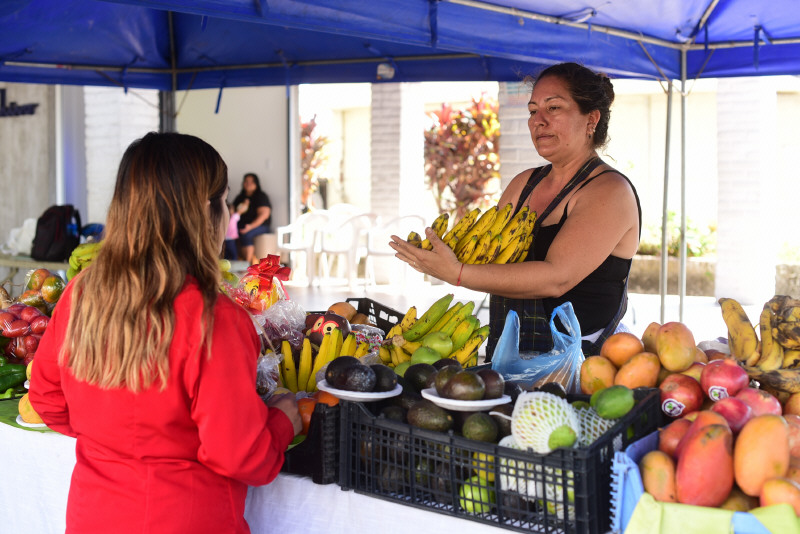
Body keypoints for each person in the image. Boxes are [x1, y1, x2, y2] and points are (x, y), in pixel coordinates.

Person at [29, 132, 302, 534]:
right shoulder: (215, 318)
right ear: (202, 212)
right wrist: (284, 421)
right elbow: (242, 457)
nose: (227, 214)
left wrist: (115, 437)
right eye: (223, 200)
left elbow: (47, 400)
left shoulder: (81, 292)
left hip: (93, 517)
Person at [390, 62, 641, 359]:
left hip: (582, 365)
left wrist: (457, 274)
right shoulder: (525, 183)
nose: (539, 121)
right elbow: (490, 258)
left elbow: (555, 278)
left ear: (591, 119)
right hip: (509, 354)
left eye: (554, 108)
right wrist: (438, 256)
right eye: (533, 111)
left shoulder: (609, 191)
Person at [233, 172, 272, 264]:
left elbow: (264, 215)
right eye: (246, 181)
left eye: (251, 181)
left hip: (261, 226)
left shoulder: (261, 196)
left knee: (246, 234)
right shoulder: (240, 197)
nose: (248, 183)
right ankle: (235, 261)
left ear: (256, 183)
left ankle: (247, 263)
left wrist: (250, 227)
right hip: (243, 226)